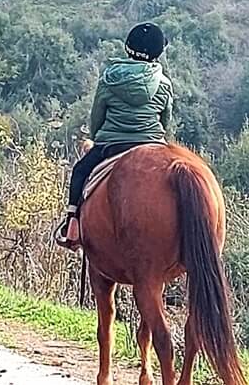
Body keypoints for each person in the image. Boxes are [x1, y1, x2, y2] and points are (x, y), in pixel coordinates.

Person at [55, 22, 173, 248]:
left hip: (112, 145)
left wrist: (95, 138)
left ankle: (72, 226)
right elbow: (165, 121)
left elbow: (97, 117)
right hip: (153, 143)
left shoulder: (109, 79)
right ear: (157, 53)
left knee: (80, 171)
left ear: (128, 47)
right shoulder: (164, 84)